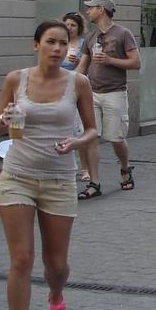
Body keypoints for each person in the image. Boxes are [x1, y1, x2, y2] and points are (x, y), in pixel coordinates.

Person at [0, 20, 97, 310]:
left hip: (59, 180)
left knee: (57, 266)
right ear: (35, 45)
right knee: (21, 259)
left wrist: (76, 141)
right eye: (50, 42)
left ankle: (55, 296)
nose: (56, 48)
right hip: (18, 176)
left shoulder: (78, 82)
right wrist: (5, 119)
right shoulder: (15, 79)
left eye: (62, 43)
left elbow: (92, 131)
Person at [76, 0, 141, 199]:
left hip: (115, 93)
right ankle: (94, 183)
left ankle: (124, 168)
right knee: (91, 138)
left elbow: (136, 63)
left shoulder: (123, 34)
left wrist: (110, 60)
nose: (87, 11)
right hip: (92, 93)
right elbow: (82, 67)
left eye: (91, 7)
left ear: (102, 9)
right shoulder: (91, 37)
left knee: (116, 138)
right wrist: (65, 81)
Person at [61, 12, 90, 182]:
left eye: (73, 25)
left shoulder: (82, 44)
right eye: (67, 24)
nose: (69, 28)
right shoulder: (59, 42)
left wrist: (78, 58)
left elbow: (86, 66)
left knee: (80, 131)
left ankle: (85, 168)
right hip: (59, 89)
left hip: (76, 89)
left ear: (79, 28)